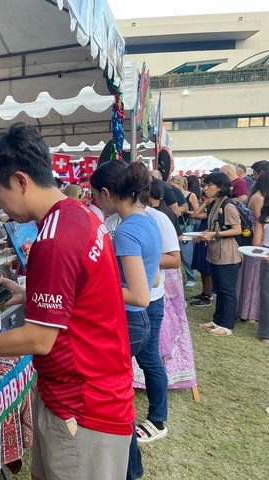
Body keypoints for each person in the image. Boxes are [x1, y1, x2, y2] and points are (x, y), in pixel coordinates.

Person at [0, 123, 135, 480]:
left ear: (21, 181)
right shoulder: (80, 214)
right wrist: (31, 295)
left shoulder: (53, 240)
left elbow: (39, 340)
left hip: (83, 405)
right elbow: (82, 293)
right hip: (82, 393)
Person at [91, 160, 162, 480]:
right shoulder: (146, 221)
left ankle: (126, 469)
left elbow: (140, 294)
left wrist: (94, 286)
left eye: (95, 197)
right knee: (117, 401)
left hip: (129, 322)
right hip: (137, 323)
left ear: (107, 193)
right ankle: (130, 469)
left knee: (112, 405)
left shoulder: (128, 230)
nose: (95, 203)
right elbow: (154, 276)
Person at [104, 181, 180, 447]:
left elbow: (172, 260)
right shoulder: (114, 221)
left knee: (149, 361)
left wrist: (135, 261)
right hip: (125, 304)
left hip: (146, 303)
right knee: (127, 368)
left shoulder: (153, 220)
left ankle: (157, 419)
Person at [197, 173, 242, 335]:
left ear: (220, 187)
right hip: (216, 254)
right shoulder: (215, 203)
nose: (205, 188)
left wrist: (214, 235)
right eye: (205, 185)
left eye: (209, 185)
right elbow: (216, 227)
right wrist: (205, 233)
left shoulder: (228, 205)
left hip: (228, 255)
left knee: (227, 290)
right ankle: (217, 320)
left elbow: (236, 229)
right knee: (219, 289)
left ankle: (227, 326)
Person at [236, 172, 269, 323]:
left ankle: (245, 309)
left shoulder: (254, 195)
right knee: (254, 278)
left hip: (252, 237)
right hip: (258, 238)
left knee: (249, 275)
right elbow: (259, 222)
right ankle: (250, 312)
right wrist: (259, 244)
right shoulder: (260, 199)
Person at [170, 176, 199, 287]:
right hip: (174, 225)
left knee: (186, 254)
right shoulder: (172, 195)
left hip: (185, 225)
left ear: (180, 185)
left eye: (173, 185)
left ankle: (191, 277)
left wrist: (185, 211)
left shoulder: (191, 195)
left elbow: (196, 211)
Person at [189, 192, 215, 307]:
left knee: (207, 268)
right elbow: (195, 214)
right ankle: (205, 292)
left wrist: (205, 204)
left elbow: (194, 215)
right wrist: (204, 205)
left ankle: (207, 294)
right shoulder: (207, 213)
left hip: (208, 240)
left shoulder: (213, 214)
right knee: (202, 267)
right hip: (202, 237)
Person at [253, 193, 269, 344]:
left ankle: (265, 333)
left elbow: (256, 242)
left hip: (265, 255)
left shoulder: (263, 219)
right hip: (266, 256)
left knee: (266, 296)